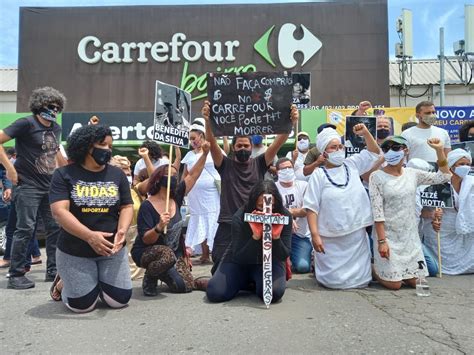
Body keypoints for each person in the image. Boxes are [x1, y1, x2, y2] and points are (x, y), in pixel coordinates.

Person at [201, 101, 298, 273]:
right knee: (218, 267)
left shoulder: (260, 163)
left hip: (255, 223)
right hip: (228, 223)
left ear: (251, 147)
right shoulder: (224, 164)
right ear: (233, 147)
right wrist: (207, 121)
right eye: (239, 146)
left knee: (253, 262)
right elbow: (212, 142)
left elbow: (278, 142)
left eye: (246, 146)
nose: (243, 148)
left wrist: (291, 122)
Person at [49, 125, 133, 312]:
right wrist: (89, 236)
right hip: (75, 251)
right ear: (86, 146)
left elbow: (127, 206)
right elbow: (59, 212)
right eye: (103, 145)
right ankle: (62, 282)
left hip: (111, 250)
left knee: (119, 300)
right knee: (83, 306)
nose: (108, 150)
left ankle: (97, 282)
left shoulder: (117, 174)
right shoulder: (63, 174)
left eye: (111, 146)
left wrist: (122, 229)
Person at [0, 87, 66, 289]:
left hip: (49, 185)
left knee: (55, 227)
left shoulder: (55, 128)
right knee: (25, 228)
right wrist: (9, 169)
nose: (54, 110)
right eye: (50, 106)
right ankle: (16, 273)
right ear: (39, 105)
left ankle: (53, 270)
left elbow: (56, 154)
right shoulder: (26, 123)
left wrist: (69, 174)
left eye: (57, 106)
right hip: (27, 185)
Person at [369, 136, 451, 290]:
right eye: (386, 149)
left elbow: (444, 177)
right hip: (388, 236)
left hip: (410, 236)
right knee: (395, 285)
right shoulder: (377, 176)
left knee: (417, 283)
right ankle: (373, 269)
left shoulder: (412, 173)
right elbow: (377, 212)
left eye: (395, 148)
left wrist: (440, 151)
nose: (390, 152)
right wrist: (382, 242)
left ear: (405, 150)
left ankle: (401, 272)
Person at [303, 124, 380, 289]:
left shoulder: (352, 165)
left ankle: (362, 277)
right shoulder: (318, 174)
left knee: (360, 276)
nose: (338, 150)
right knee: (333, 281)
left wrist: (366, 133)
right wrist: (315, 235)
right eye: (333, 147)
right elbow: (311, 207)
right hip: (330, 237)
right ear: (324, 152)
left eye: (340, 146)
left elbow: (374, 152)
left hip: (356, 233)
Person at [131, 142, 211, 296]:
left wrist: (205, 154)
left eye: (176, 175)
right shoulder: (147, 206)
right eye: (170, 175)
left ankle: (165, 272)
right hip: (147, 251)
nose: (174, 177)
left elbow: (193, 174)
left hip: (174, 254)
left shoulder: (177, 196)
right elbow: (146, 239)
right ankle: (151, 276)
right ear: (159, 179)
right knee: (166, 255)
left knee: (184, 286)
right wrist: (159, 227)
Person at [206, 180, 292, 303]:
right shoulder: (240, 216)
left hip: (269, 262)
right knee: (215, 292)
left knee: (274, 293)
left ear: (276, 203)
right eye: (260, 206)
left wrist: (276, 238)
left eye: (271, 207)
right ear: (253, 202)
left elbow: (284, 254)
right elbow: (238, 256)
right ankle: (245, 282)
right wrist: (255, 237)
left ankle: (253, 283)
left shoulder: (285, 216)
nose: (265, 212)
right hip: (240, 262)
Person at [422, 149, 474, 275]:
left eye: (468, 164)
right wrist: (432, 215)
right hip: (441, 229)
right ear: (451, 166)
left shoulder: (471, 183)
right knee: (439, 262)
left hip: (466, 230)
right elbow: (421, 210)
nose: (465, 167)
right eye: (461, 164)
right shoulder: (437, 184)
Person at [181, 118, 221, 264]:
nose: (192, 141)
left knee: (212, 221)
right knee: (199, 221)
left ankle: (214, 253)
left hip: (211, 194)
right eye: (190, 139)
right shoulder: (189, 155)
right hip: (195, 195)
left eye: (194, 138)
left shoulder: (213, 150)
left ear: (201, 135)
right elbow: (185, 175)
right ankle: (204, 254)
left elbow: (223, 162)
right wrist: (181, 191)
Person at [109, 155, 144, 281]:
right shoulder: (109, 191)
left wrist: (145, 157)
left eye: (129, 168)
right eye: (124, 168)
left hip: (135, 233)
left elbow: (154, 178)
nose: (128, 172)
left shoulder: (135, 190)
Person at [275, 158, 311, 273]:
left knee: (303, 267)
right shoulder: (273, 187)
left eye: (289, 167)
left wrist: (287, 213)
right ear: (277, 172)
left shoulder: (304, 185)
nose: (287, 170)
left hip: (300, 235)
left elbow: (307, 210)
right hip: (278, 235)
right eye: (283, 168)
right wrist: (288, 217)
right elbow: (269, 210)